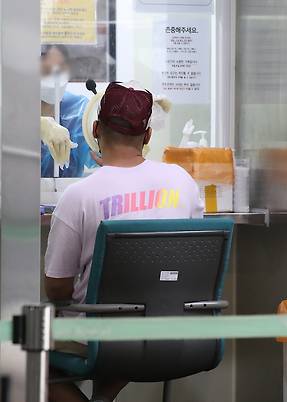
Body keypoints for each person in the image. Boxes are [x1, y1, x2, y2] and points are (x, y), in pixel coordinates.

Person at [44, 81, 204, 402]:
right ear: (147, 137)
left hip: (101, 337)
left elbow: (57, 289)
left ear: (94, 128)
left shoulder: (80, 195)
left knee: (17, 352)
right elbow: (188, 264)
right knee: (124, 334)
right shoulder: (182, 182)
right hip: (171, 330)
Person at [40, 44, 94, 177]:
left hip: (69, 194)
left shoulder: (80, 110)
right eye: (46, 71)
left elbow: (98, 158)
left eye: (60, 72)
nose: (54, 79)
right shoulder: (13, 107)